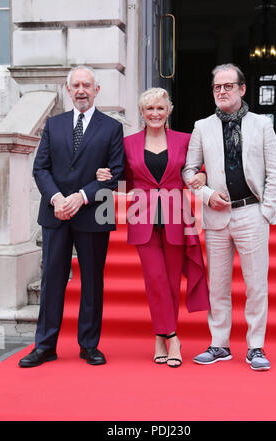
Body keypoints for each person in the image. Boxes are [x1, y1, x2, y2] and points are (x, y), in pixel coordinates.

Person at [19, 66, 125, 367]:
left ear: (96, 90)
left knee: (92, 281)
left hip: (93, 213)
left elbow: (115, 173)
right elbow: (40, 168)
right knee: (52, 280)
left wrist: (81, 197)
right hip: (56, 213)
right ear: (69, 90)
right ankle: (45, 345)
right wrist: (57, 199)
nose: (81, 90)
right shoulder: (54, 125)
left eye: (87, 85)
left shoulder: (111, 128)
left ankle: (89, 344)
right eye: (76, 85)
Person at [96, 87, 210, 368]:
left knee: (171, 282)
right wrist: (106, 179)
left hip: (176, 215)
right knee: (155, 280)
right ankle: (172, 336)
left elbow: (201, 168)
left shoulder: (185, 140)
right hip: (142, 217)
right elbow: (123, 181)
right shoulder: (129, 143)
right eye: (150, 109)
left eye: (160, 108)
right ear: (142, 113)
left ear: (168, 110)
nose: (155, 114)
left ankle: (161, 337)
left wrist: (202, 176)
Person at [182, 63, 276, 371]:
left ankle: (255, 347)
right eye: (217, 87)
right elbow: (188, 171)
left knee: (255, 285)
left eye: (228, 86)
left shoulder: (262, 125)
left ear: (241, 89)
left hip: (251, 212)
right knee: (218, 285)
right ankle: (219, 344)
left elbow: (275, 173)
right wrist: (206, 195)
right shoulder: (201, 127)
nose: (222, 92)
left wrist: (265, 211)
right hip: (216, 217)